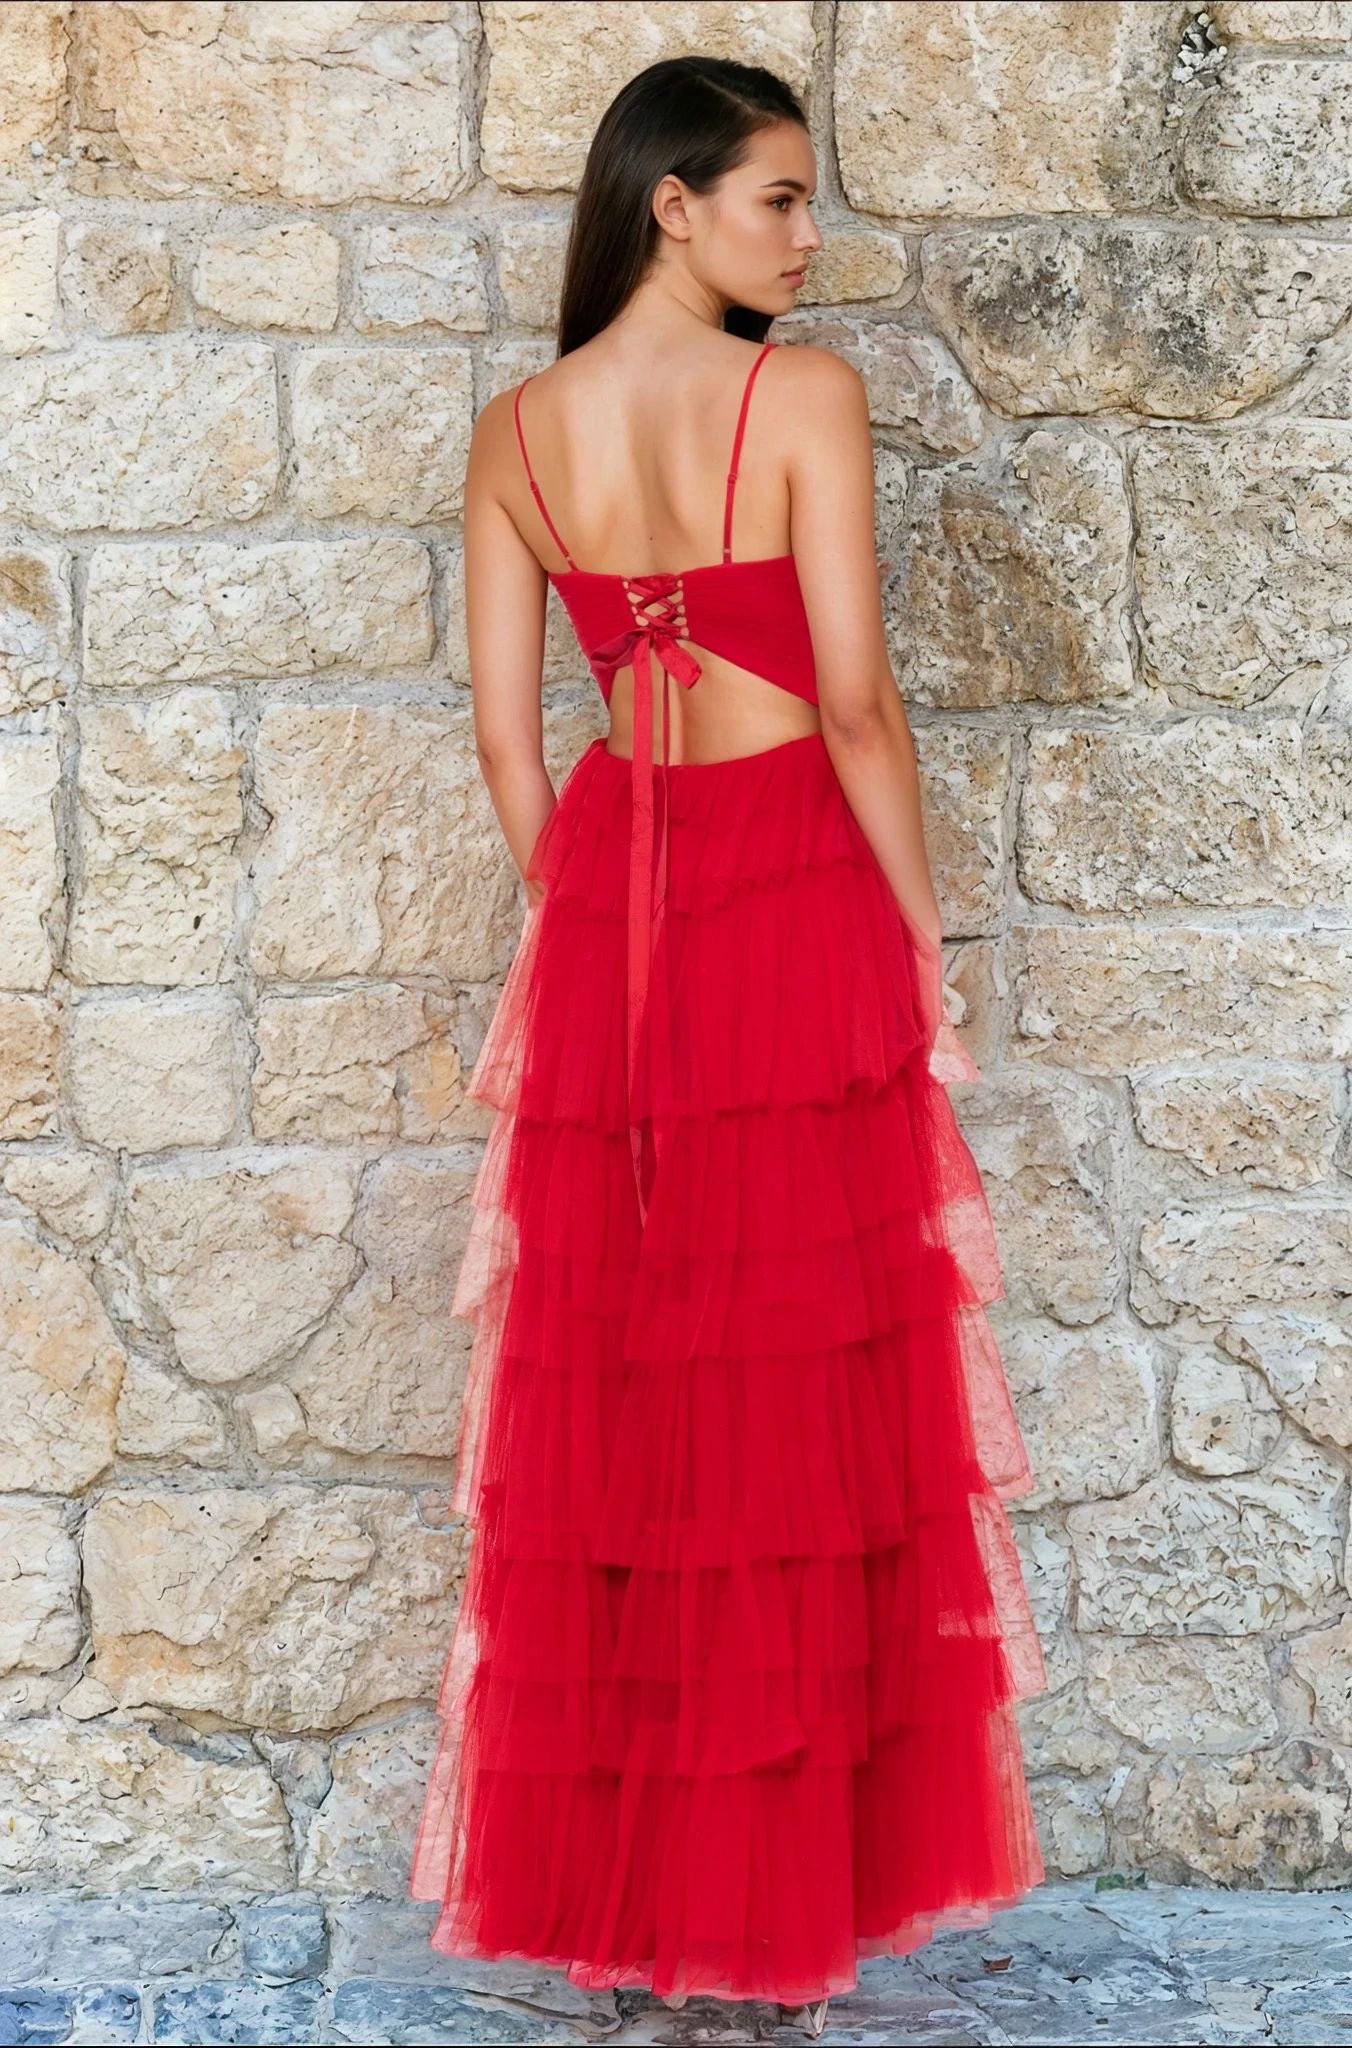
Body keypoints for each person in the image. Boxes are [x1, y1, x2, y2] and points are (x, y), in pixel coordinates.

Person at [409, 53, 1047, 2039]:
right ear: (669, 203)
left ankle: (628, 1925)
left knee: (622, 1402)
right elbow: (856, 705)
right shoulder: (801, 400)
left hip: (619, 896)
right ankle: (758, 1935)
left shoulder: (519, 432)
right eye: (778, 196)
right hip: (791, 884)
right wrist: (919, 943)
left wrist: (603, 916)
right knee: (792, 1396)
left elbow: (513, 746)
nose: (807, 234)